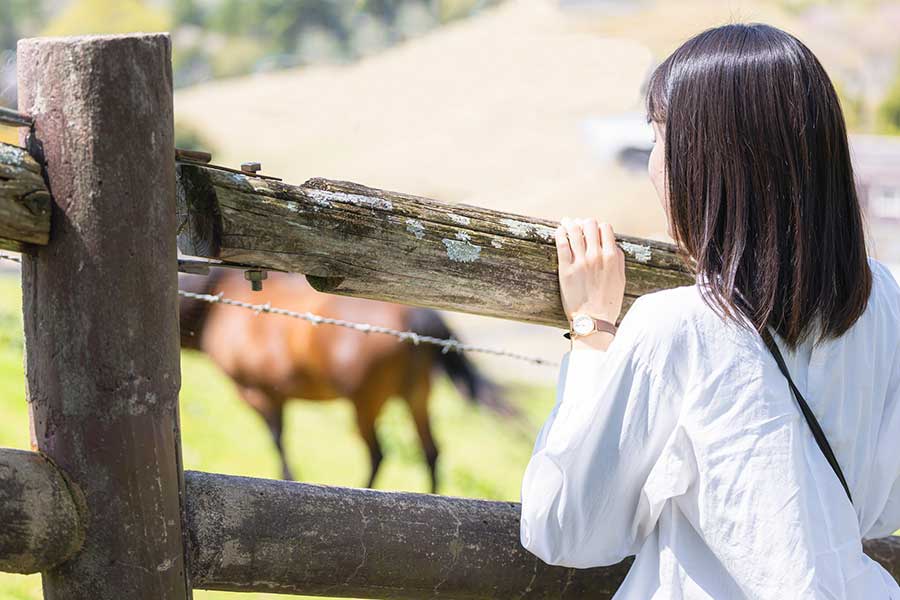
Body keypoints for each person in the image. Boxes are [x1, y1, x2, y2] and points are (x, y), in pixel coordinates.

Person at [519, 22, 900, 600]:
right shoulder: (887, 304)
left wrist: (594, 334)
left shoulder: (677, 326)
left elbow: (563, 528)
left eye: (658, 139)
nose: (654, 166)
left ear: (707, 162)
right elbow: (876, 512)